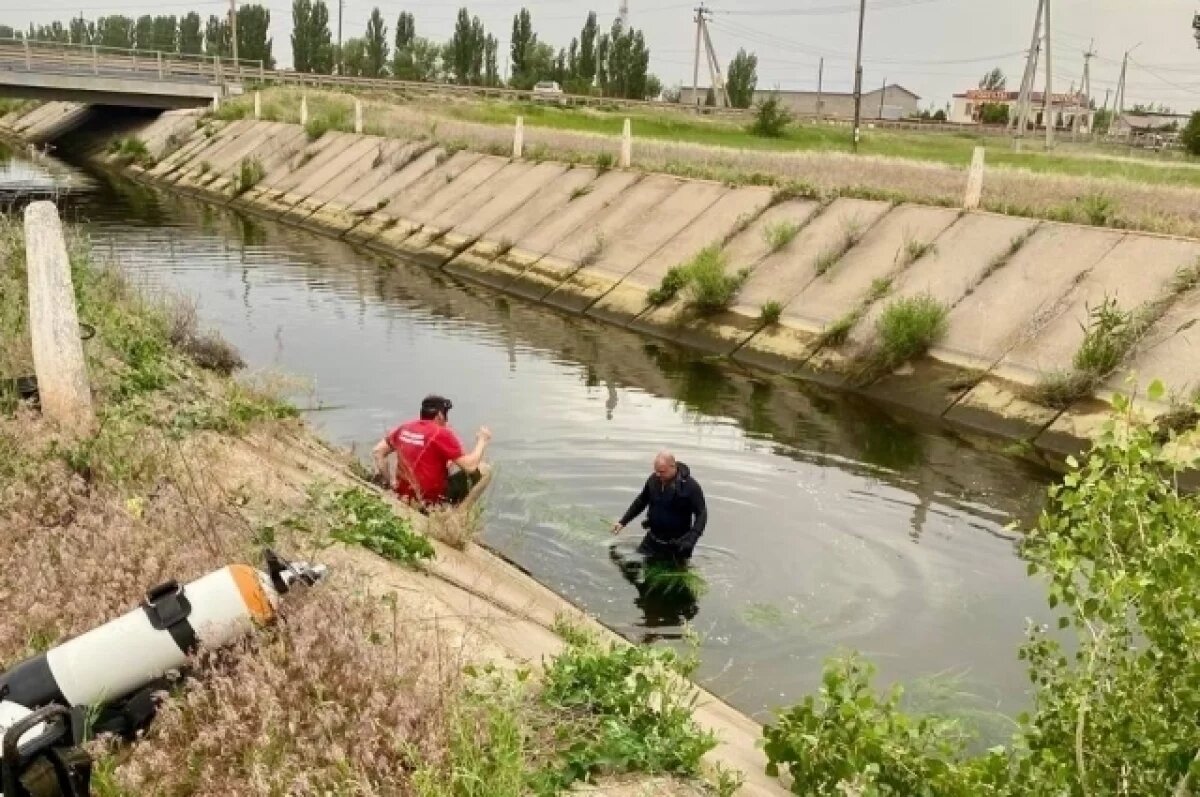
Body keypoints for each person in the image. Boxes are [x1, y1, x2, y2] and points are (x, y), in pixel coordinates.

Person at [372, 395, 491, 508]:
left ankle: (405, 495)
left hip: (404, 494)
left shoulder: (405, 427)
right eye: (446, 414)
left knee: (448, 464)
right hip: (430, 500)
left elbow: (378, 452)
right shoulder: (441, 433)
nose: (446, 419)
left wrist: (390, 482)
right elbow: (470, 466)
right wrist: (482, 441)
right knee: (484, 469)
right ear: (439, 415)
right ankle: (457, 516)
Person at [611, 452, 707, 562]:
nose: (657, 474)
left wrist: (691, 540)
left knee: (674, 577)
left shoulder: (690, 487)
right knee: (632, 568)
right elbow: (641, 501)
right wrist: (623, 522)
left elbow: (701, 514)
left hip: (677, 545)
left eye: (662, 471)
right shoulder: (653, 479)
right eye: (656, 471)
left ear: (673, 467)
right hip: (652, 539)